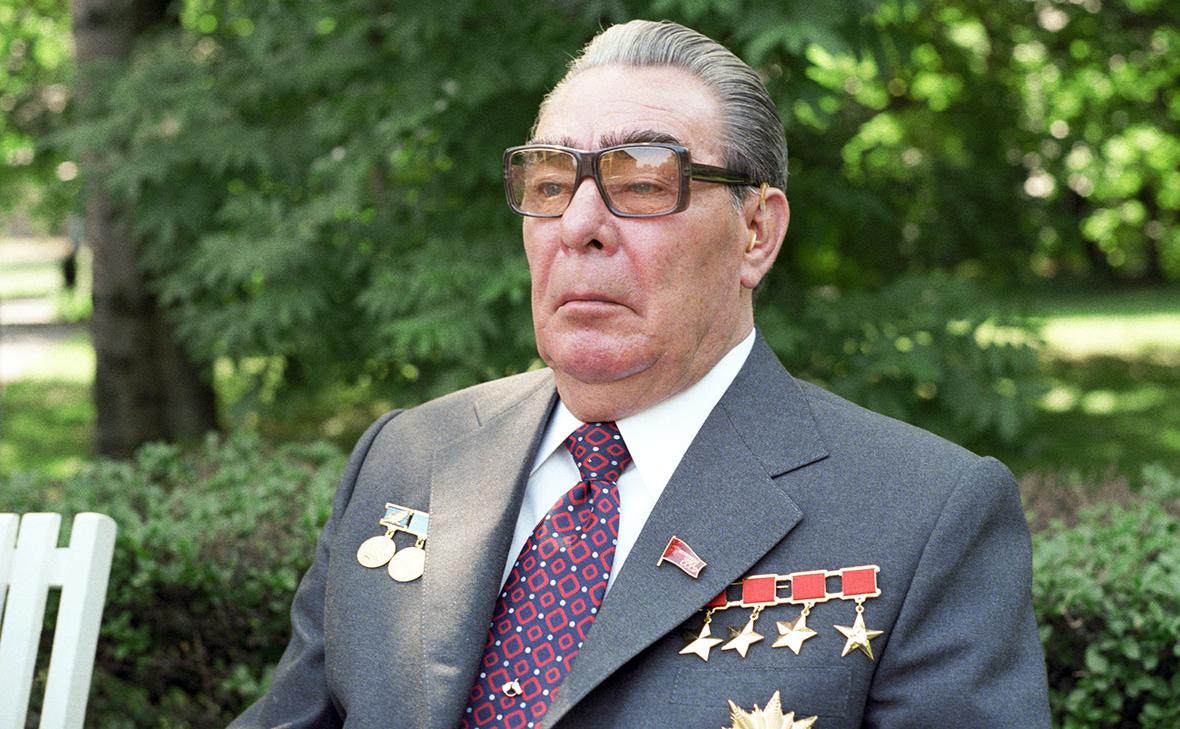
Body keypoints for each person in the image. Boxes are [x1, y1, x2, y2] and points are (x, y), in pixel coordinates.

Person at [230, 19, 1051, 729]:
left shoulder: (922, 516)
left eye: (644, 184)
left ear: (756, 233)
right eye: (551, 183)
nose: (580, 224)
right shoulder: (409, 457)